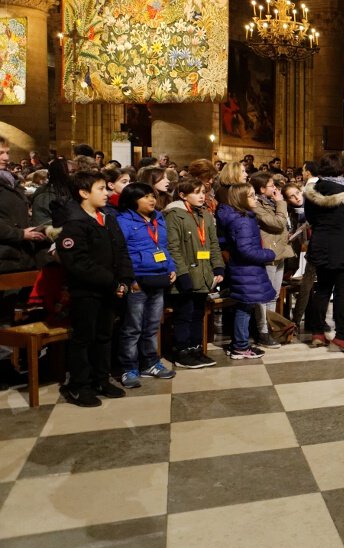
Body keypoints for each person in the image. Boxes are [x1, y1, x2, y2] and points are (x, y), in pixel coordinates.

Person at [55, 171, 134, 406]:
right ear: (83, 193)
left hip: (109, 289)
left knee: (104, 336)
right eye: (101, 189)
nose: (107, 193)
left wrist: (125, 280)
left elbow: (121, 251)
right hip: (86, 291)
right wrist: (112, 281)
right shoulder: (74, 223)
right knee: (84, 338)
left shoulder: (107, 218)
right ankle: (79, 385)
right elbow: (78, 262)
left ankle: (101, 378)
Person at [303, 153, 344, 350]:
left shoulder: (312, 191)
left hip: (321, 245)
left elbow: (311, 218)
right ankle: (341, 336)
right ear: (343, 170)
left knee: (322, 290)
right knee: (343, 293)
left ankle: (317, 333)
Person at [115, 182, 178, 388]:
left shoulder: (158, 218)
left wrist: (171, 267)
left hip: (158, 277)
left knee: (151, 326)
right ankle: (128, 368)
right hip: (138, 281)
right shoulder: (123, 221)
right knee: (132, 328)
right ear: (133, 200)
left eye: (153, 196)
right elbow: (120, 253)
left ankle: (150, 362)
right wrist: (129, 279)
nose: (152, 200)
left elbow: (163, 246)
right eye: (146, 197)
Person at [164, 177, 223, 368]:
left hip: (204, 273)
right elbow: (173, 247)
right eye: (196, 193)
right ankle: (182, 351)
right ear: (182, 195)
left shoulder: (205, 214)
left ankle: (196, 348)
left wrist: (218, 267)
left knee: (198, 313)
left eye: (203, 192)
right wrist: (181, 274)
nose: (201, 196)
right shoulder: (174, 215)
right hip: (186, 274)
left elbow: (213, 244)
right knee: (184, 313)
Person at [217, 183, 276, 359]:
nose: (255, 198)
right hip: (246, 269)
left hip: (245, 269)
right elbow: (245, 249)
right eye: (250, 195)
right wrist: (268, 254)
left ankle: (240, 343)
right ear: (241, 199)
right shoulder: (242, 220)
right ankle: (240, 347)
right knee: (244, 308)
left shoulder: (243, 217)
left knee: (245, 306)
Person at [250, 170, 294, 348]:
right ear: (261, 189)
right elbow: (277, 223)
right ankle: (262, 332)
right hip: (267, 252)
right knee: (264, 295)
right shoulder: (256, 205)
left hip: (280, 251)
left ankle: (272, 328)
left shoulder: (271, 202)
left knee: (274, 295)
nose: (275, 188)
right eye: (271, 185)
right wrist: (281, 203)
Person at [0, 137, 45, 275]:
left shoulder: (10, 180)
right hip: (5, 257)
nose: (6, 157)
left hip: (18, 254)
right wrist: (20, 234)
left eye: (7, 152)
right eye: (1, 153)